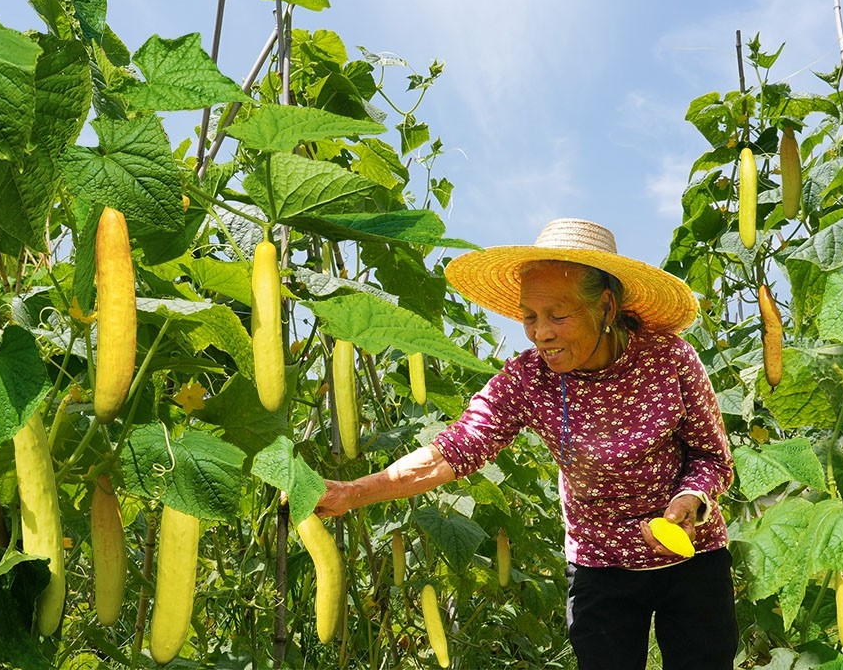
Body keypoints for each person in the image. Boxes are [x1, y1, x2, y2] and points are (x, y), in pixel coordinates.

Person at [313, 218, 737, 670]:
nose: (541, 333)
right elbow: (452, 450)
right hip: (600, 567)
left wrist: (690, 500)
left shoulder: (667, 357)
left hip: (693, 559)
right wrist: (351, 492)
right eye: (529, 317)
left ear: (607, 307)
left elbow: (712, 457)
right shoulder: (528, 380)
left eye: (558, 314)